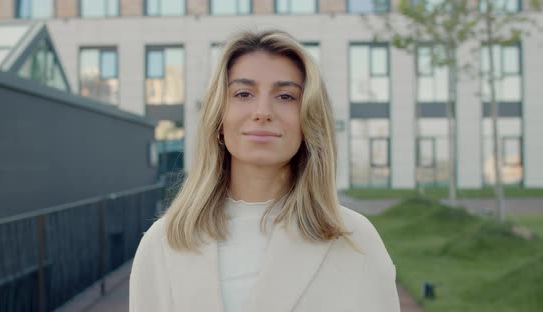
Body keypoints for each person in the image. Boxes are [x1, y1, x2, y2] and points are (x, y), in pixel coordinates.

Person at [129, 29, 400, 312]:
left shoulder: (354, 239)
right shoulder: (162, 243)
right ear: (219, 118)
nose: (262, 111)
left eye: (285, 96)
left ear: (309, 120)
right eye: (243, 93)